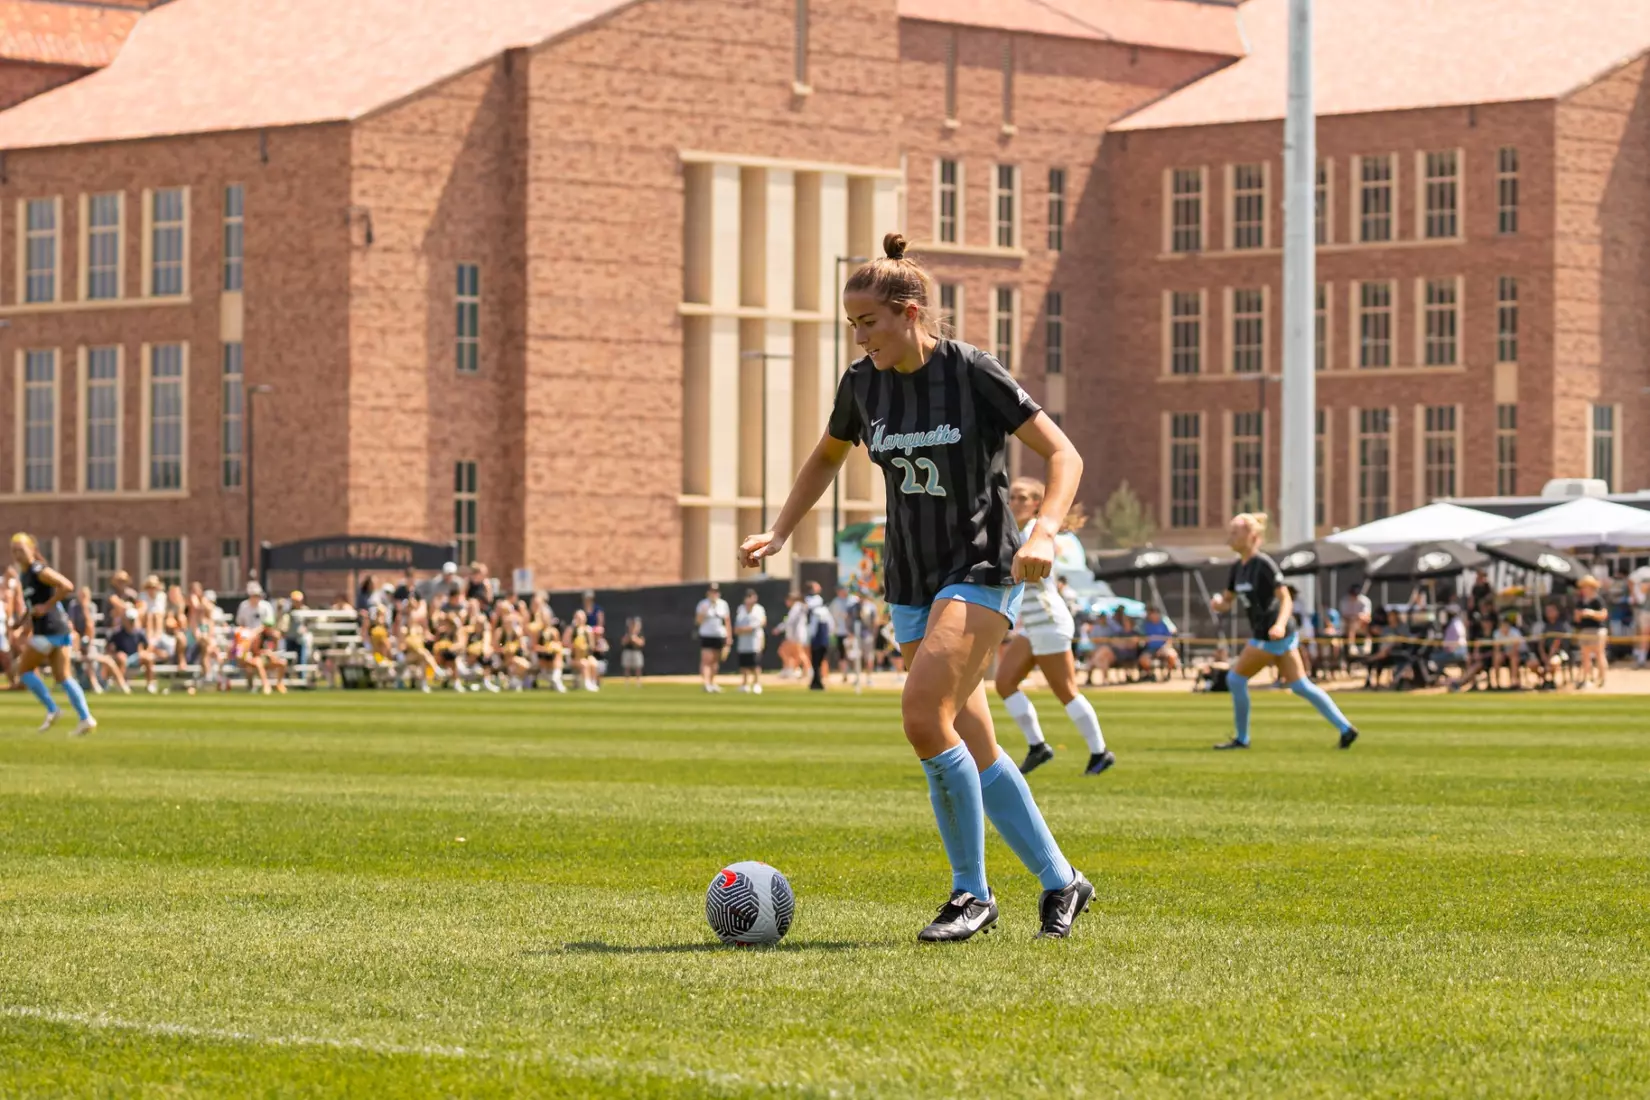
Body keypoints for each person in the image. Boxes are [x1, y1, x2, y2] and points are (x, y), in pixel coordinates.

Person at [740, 232, 1093, 942]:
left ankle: (972, 895)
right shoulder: (860, 384)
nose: (860, 336)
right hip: (907, 578)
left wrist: (1046, 530)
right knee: (972, 741)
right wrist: (780, 531)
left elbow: (1063, 453)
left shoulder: (971, 371)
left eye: (868, 322)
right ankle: (1063, 881)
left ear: (909, 312)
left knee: (920, 716)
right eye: (852, 325)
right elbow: (826, 457)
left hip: (981, 567)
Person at [1208, 513, 1359, 750]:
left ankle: (1242, 739)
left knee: (1235, 679)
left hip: (1272, 635)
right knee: (1300, 686)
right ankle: (1346, 729)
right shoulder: (1238, 568)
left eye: (1235, 532)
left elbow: (1285, 598)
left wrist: (1279, 624)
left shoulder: (1263, 564)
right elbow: (1228, 600)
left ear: (1252, 536)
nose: (1231, 537)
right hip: (1274, 637)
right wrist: (1218, 604)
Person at [994, 476, 1113, 778]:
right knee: (1005, 683)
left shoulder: (1034, 534)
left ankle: (1100, 752)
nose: (1015, 502)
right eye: (1013, 497)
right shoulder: (1019, 532)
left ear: (1037, 504)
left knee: (1066, 691)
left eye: (1022, 498)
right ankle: (1038, 747)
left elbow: (1019, 571)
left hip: (1048, 621)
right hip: (1033, 624)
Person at [8, 534, 97, 734]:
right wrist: (20, 622)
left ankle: (52, 708)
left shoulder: (38, 570)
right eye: (14, 550)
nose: (17, 554)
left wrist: (47, 606)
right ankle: (85, 718)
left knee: (23, 670)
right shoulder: (24, 574)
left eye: (21, 549)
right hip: (57, 630)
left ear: (32, 549)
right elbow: (33, 606)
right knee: (63, 676)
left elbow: (66, 586)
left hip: (48, 629)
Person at [1572, 575, 1609, 689]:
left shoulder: (1598, 600)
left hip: (1597, 630)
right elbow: (1576, 618)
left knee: (1599, 654)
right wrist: (1579, 615)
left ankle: (1602, 678)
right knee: (1585, 655)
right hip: (1585, 630)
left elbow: (1603, 615)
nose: (1584, 589)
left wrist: (1591, 613)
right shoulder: (1581, 601)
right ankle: (1587, 678)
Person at [694, 581, 731, 693]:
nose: (714, 594)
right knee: (706, 659)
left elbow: (727, 621)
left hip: (719, 635)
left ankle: (712, 682)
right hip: (707, 634)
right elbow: (698, 621)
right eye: (712, 592)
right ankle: (706, 683)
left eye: (716, 592)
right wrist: (704, 613)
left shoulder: (723, 604)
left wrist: (729, 637)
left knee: (715, 660)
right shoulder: (703, 604)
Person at [733, 589, 768, 694]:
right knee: (744, 663)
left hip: (755, 640)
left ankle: (757, 683)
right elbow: (737, 626)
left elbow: (762, 622)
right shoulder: (741, 609)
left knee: (755, 663)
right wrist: (741, 630)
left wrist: (747, 629)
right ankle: (744, 684)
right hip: (743, 641)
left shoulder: (759, 609)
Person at [803, 581, 831, 691]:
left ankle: (816, 680)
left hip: (820, 636)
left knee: (818, 660)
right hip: (814, 636)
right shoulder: (810, 603)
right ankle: (816, 681)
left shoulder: (819, 605)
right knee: (815, 659)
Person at [1138, 606, 1180, 678]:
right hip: (1150, 649)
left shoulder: (1164, 624)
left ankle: (1168, 674)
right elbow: (1141, 638)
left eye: (1155, 613)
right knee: (1143, 660)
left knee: (1172, 656)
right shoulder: (1145, 625)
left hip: (1164, 648)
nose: (1153, 616)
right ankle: (1150, 675)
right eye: (1151, 614)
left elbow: (1170, 638)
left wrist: (1164, 648)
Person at [1340, 583, 1373, 654]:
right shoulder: (1345, 601)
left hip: (1362, 625)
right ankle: (1352, 646)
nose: (1354, 596)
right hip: (1348, 625)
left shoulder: (1365, 601)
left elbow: (1368, 617)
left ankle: (1367, 645)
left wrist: (1358, 617)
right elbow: (1344, 616)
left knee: (1363, 622)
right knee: (1352, 624)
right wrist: (1354, 618)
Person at [620, 616, 646, 686]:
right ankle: (627, 682)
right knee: (627, 667)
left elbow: (642, 643)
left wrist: (635, 639)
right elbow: (623, 642)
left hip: (637, 652)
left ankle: (638, 682)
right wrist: (629, 638)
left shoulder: (640, 634)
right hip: (628, 651)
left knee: (638, 667)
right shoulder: (627, 633)